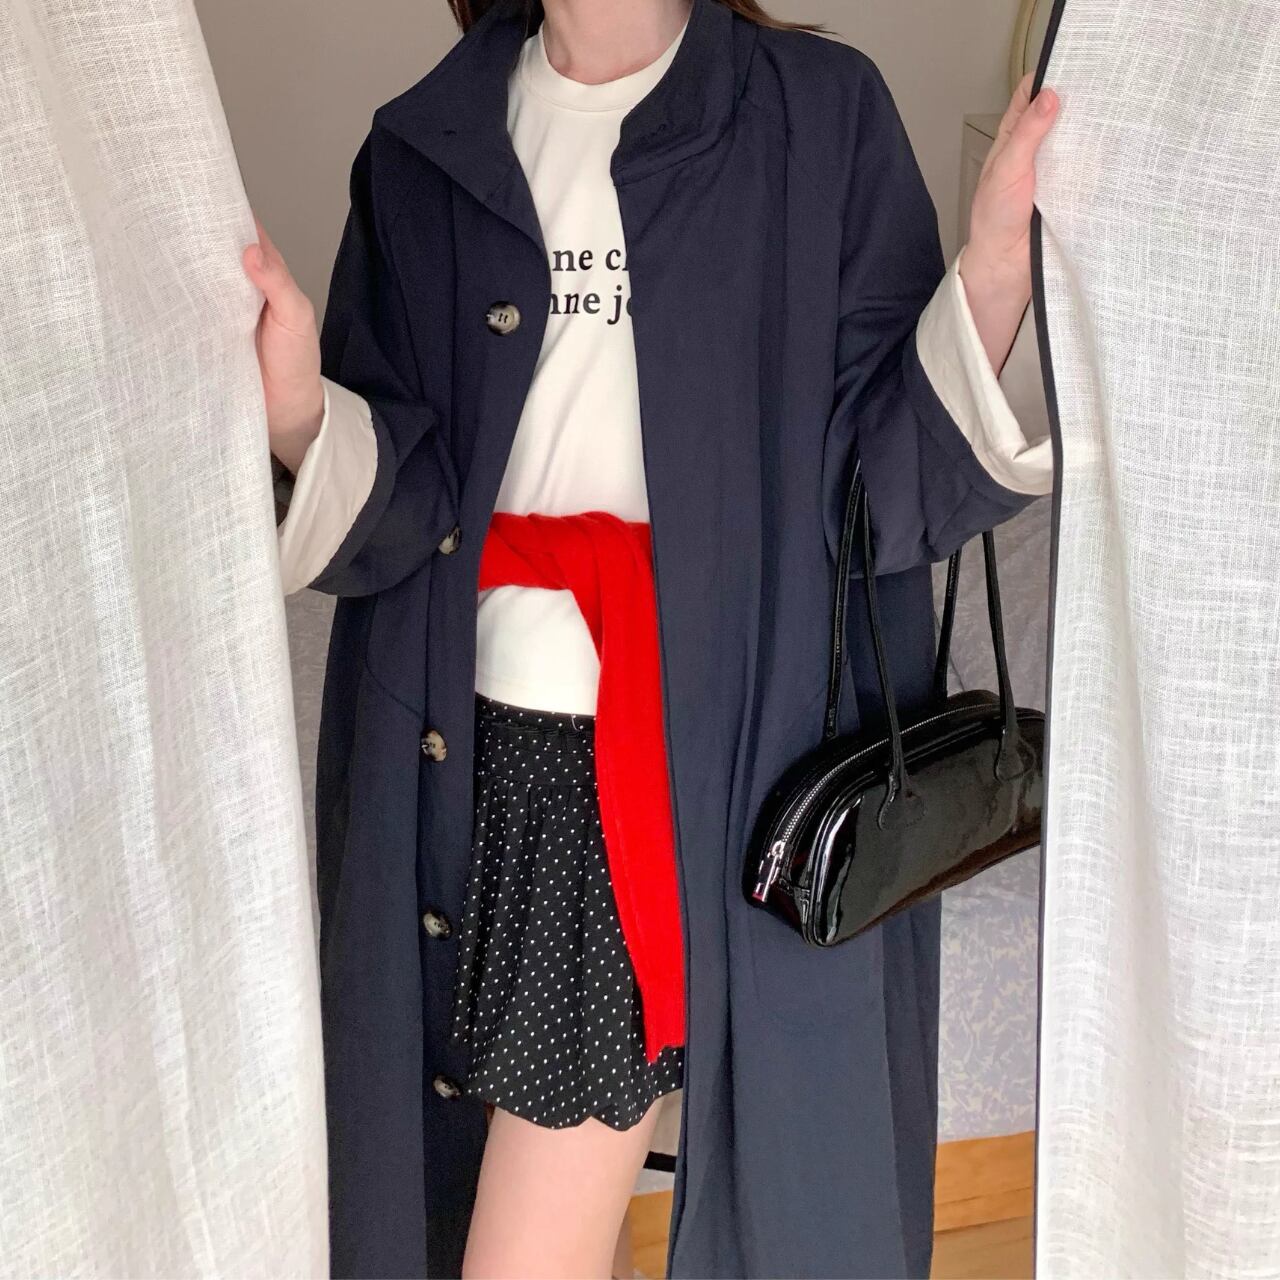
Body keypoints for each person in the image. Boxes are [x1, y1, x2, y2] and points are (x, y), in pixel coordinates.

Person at [244, 0, 1057, 1275]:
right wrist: (300, 411)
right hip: (462, 765)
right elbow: (401, 511)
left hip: (688, 764)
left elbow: (882, 493)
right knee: (479, 1186)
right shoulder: (422, 144)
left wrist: (994, 271)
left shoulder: (815, 116)